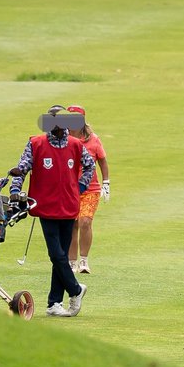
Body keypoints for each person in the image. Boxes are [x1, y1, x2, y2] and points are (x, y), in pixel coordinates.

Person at [0, 106, 95, 317]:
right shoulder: (36, 144)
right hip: (46, 206)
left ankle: (54, 303)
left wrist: (79, 188)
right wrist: (15, 190)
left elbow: (89, 166)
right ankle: (76, 290)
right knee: (56, 253)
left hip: (69, 206)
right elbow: (22, 168)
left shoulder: (76, 145)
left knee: (59, 254)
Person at [65, 104, 109, 274]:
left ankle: (84, 261)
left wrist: (106, 183)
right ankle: (71, 262)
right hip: (69, 189)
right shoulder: (62, 139)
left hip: (90, 189)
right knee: (72, 224)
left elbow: (103, 161)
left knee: (85, 221)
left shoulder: (93, 139)